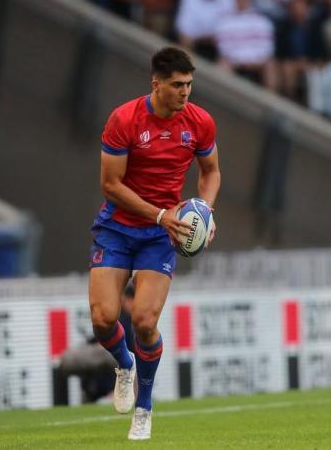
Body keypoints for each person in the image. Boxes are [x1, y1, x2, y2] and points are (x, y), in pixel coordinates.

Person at [88, 47, 221, 441]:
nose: (185, 92)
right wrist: (160, 213)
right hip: (119, 227)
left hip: (161, 235)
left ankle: (144, 409)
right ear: (156, 83)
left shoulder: (199, 123)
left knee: (145, 322)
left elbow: (211, 172)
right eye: (178, 85)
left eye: (189, 84)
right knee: (102, 318)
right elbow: (110, 185)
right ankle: (124, 364)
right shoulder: (124, 119)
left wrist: (205, 212)